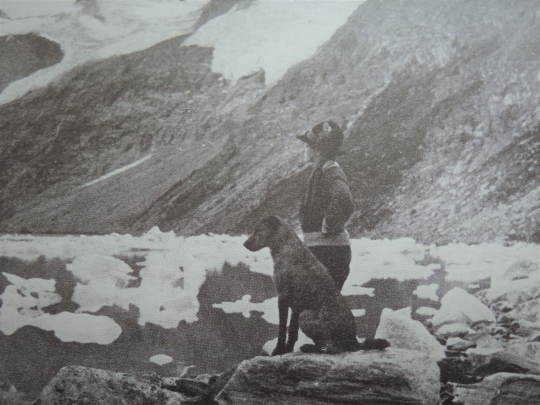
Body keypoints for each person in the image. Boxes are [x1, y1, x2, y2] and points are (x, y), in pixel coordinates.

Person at [296, 120, 354, 291]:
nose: (305, 150)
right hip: (323, 250)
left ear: (317, 151)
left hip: (329, 252)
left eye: (308, 146)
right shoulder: (322, 172)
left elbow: (344, 200)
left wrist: (329, 225)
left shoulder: (332, 173)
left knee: (317, 309)